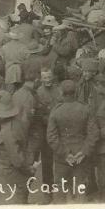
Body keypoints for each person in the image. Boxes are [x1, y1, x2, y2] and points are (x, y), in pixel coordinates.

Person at [47, 79, 99, 203]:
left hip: (62, 158)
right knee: (81, 188)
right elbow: (94, 133)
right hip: (81, 156)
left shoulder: (56, 111)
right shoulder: (85, 109)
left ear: (61, 93)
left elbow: (51, 137)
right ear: (75, 93)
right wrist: (84, 151)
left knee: (61, 190)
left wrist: (65, 154)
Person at [0, 90, 35, 204]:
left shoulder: (8, 131)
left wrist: (28, 169)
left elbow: (17, 160)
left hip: (10, 175)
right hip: (13, 173)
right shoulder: (16, 122)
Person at [33, 69, 62, 197]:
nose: (48, 80)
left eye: (49, 77)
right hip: (45, 129)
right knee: (47, 160)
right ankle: (48, 188)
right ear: (41, 79)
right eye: (45, 78)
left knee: (62, 158)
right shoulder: (38, 92)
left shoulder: (59, 90)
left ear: (53, 77)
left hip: (59, 129)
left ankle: (63, 186)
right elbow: (38, 114)